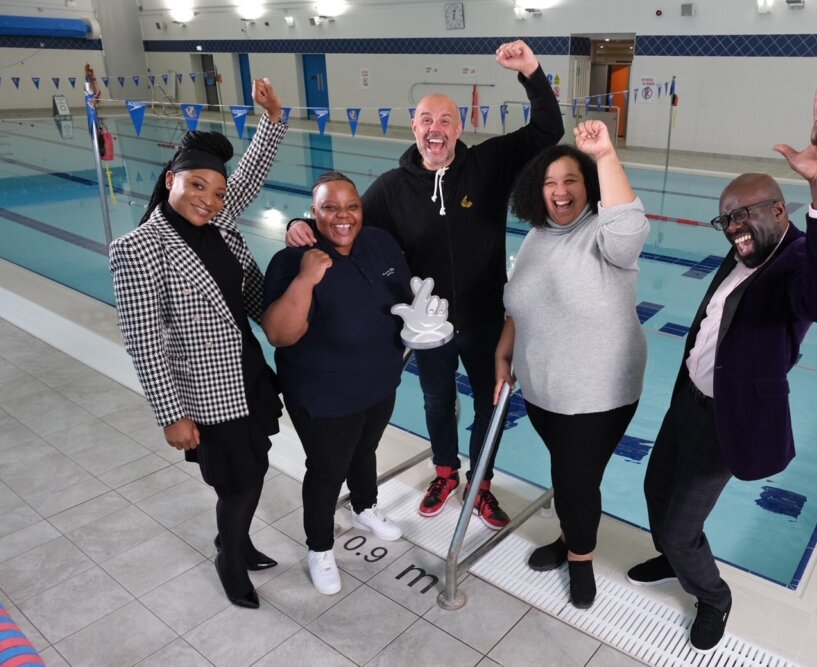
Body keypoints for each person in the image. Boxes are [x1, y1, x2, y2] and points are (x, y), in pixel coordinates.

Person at [285, 39, 564, 529]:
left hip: (483, 322)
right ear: (414, 127)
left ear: (459, 128)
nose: (435, 130)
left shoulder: (488, 165)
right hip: (428, 327)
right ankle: (445, 472)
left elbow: (548, 129)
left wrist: (531, 71)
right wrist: (298, 223)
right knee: (437, 401)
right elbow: (345, 224)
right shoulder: (393, 188)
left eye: (445, 121)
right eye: (426, 121)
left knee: (489, 404)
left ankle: (481, 482)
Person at [625, 88, 817, 652]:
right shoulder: (749, 249)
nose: (733, 228)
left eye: (744, 215)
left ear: (780, 209)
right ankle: (676, 558)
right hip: (688, 403)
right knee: (656, 491)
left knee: (681, 527)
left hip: (729, 422)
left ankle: (712, 597)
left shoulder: (797, 259)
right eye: (726, 220)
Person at [109, 78, 287, 610]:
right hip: (206, 393)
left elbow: (249, 172)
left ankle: (236, 540)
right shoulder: (138, 249)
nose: (208, 199)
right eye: (197, 186)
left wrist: (273, 120)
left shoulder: (222, 221)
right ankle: (230, 557)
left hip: (247, 370)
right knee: (240, 479)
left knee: (251, 466)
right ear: (171, 180)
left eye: (216, 191)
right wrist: (171, 414)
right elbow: (144, 343)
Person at [495, 120, 650, 609]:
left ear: (589, 186)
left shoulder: (605, 236)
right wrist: (505, 351)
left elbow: (629, 228)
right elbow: (523, 303)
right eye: (549, 183)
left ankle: (579, 558)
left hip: (597, 393)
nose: (559, 192)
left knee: (576, 484)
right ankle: (569, 538)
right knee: (570, 477)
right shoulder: (540, 234)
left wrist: (605, 154)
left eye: (570, 181)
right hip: (543, 391)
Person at [261, 172, 412, 595]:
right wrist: (306, 278)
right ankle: (320, 547)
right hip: (323, 392)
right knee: (327, 469)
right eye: (330, 207)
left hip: (380, 380)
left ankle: (365, 507)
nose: (342, 217)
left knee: (365, 450)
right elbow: (279, 334)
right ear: (314, 213)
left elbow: (405, 299)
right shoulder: (292, 260)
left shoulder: (379, 242)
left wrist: (423, 323)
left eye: (351, 206)